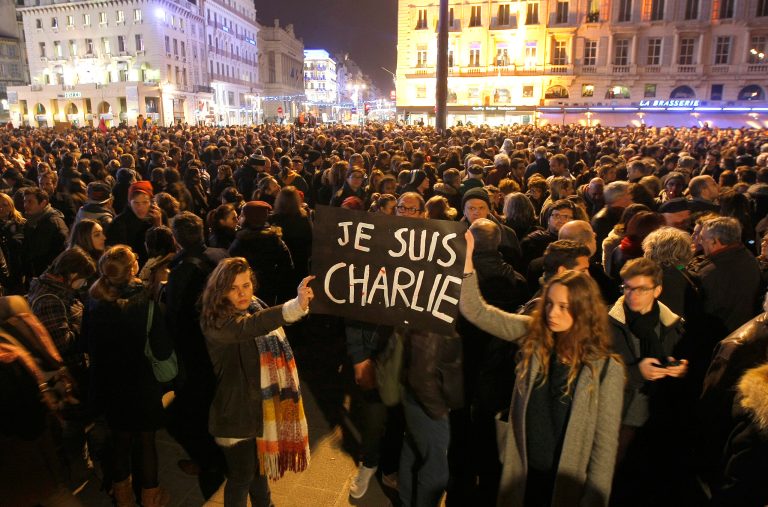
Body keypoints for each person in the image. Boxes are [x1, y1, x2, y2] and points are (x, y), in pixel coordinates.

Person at [460, 230, 624, 507]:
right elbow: (478, 312)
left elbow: (605, 445)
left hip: (565, 482)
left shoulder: (605, 366)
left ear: (584, 310)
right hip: (523, 472)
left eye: (563, 306)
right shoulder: (533, 333)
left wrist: (595, 497)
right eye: (549, 304)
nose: (552, 313)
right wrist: (466, 262)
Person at [199, 258, 313, 507]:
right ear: (220, 290)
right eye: (233, 288)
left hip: (258, 410)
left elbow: (257, 323)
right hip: (235, 414)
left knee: (258, 470)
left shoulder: (253, 307)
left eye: (246, 285)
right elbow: (250, 328)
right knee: (241, 477)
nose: (242, 293)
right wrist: (293, 307)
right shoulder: (217, 322)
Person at [82, 245, 173, 507]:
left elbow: (87, 344)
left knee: (120, 440)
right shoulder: (146, 305)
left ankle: (123, 498)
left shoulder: (94, 303)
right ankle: (151, 497)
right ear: (133, 269)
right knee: (146, 441)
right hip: (142, 385)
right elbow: (162, 348)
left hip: (110, 385)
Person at [608, 258, 690, 505]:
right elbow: (594, 372)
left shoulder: (674, 324)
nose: (632, 295)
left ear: (657, 290)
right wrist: (636, 373)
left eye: (641, 289)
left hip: (659, 417)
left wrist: (682, 370)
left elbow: (684, 363)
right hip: (621, 419)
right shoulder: (606, 323)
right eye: (628, 287)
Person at [163, 212, 227, 477]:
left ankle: (209, 461)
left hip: (197, 347)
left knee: (186, 413)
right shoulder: (220, 256)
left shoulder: (182, 270)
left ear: (176, 240)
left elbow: (175, 316)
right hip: (222, 340)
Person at [107, 181, 163, 268]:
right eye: (136, 203)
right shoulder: (118, 224)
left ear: (151, 203)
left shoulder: (157, 216)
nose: (140, 207)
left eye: (145, 202)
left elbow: (165, 248)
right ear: (129, 203)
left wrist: (158, 226)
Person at [21, 187, 69, 284]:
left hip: (49, 280)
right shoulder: (31, 221)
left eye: (30, 202)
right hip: (36, 277)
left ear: (43, 203)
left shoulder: (54, 223)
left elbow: (63, 253)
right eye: (25, 201)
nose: (26, 205)